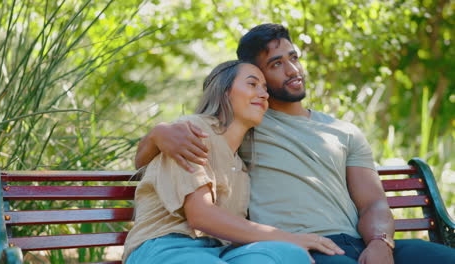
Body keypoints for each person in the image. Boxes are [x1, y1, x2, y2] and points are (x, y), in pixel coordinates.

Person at [133, 24, 455, 263]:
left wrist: (381, 243)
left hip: (362, 242)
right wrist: (158, 133)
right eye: (274, 65)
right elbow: (195, 129)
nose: (291, 70)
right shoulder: (245, 125)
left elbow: (373, 203)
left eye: (293, 58)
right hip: (307, 249)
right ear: (253, 79)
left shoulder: (344, 132)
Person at [124, 60, 343, 264]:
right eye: (252, 84)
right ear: (224, 90)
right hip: (164, 246)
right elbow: (200, 215)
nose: (263, 94)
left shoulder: (240, 165)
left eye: (265, 88)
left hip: (218, 252)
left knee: (290, 254)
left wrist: (287, 244)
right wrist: (289, 237)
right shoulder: (191, 132)